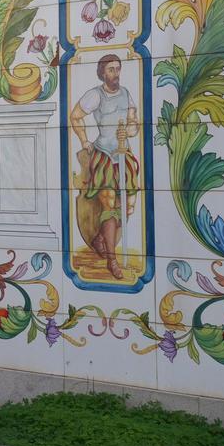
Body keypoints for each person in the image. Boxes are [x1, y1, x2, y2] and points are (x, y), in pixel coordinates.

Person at [69, 53, 139, 279]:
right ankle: (112, 260)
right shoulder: (95, 95)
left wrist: (129, 131)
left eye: (118, 69)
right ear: (102, 73)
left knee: (128, 206)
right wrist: (84, 141)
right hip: (104, 156)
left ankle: (100, 238)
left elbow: (134, 123)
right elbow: (75, 116)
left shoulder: (126, 94)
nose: (116, 73)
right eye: (111, 69)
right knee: (109, 204)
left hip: (124, 155)